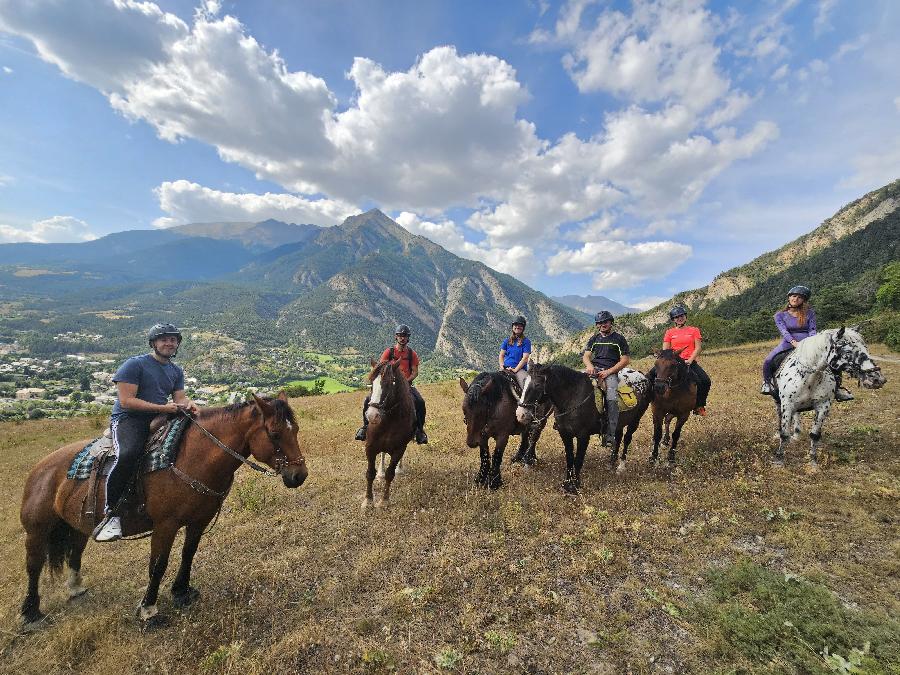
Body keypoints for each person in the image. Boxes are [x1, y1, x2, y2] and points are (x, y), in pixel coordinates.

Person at [93, 323, 199, 542]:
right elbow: (126, 401)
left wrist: (189, 405)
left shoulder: (175, 370)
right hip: (129, 419)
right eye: (164, 339)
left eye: (173, 340)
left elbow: (179, 399)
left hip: (158, 417)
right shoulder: (135, 365)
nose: (169, 343)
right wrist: (164, 408)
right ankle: (111, 514)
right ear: (154, 343)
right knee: (129, 454)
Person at [761, 285, 853, 401]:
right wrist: (794, 342)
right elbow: (784, 331)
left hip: (809, 342)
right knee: (768, 360)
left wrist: (812, 342)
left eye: (799, 297)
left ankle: (837, 388)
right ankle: (767, 383)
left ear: (803, 300)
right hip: (788, 342)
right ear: (789, 297)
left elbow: (812, 329)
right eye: (793, 296)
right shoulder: (779, 315)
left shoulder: (809, 313)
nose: (795, 299)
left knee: (832, 359)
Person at [355, 324, 428, 444]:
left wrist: (406, 381)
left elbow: (415, 372)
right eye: (400, 335)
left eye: (404, 336)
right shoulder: (389, 352)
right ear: (396, 337)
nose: (402, 338)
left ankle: (419, 431)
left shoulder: (411, 354)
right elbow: (381, 368)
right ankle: (365, 427)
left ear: (408, 338)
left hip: (406, 386)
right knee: (367, 400)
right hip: (388, 385)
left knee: (420, 402)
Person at [648, 305, 711, 416]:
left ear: (685, 317)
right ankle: (649, 400)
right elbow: (665, 350)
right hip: (672, 362)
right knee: (649, 376)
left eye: (681, 316)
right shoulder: (669, 332)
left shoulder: (694, 330)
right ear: (673, 320)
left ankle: (699, 406)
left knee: (705, 381)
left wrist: (690, 360)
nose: (679, 318)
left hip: (688, 361)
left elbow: (698, 347)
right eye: (676, 317)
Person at [582, 310, 630, 446]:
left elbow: (625, 360)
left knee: (611, 398)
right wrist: (590, 366)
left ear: (611, 323)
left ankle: (610, 434)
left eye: (606, 322)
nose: (603, 324)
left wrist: (609, 372)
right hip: (595, 369)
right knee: (574, 386)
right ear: (597, 324)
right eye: (600, 322)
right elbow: (586, 356)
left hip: (611, 372)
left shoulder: (619, 339)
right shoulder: (594, 339)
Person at [499, 315, 531, 390]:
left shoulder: (526, 342)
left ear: (523, 328)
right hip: (505, 368)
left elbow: (525, 358)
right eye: (515, 325)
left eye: (520, 325)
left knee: (526, 387)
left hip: (519, 370)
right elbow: (501, 355)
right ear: (512, 327)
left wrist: (515, 370)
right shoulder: (507, 340)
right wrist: (502, 366)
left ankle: (526, 402)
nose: (517, 327)